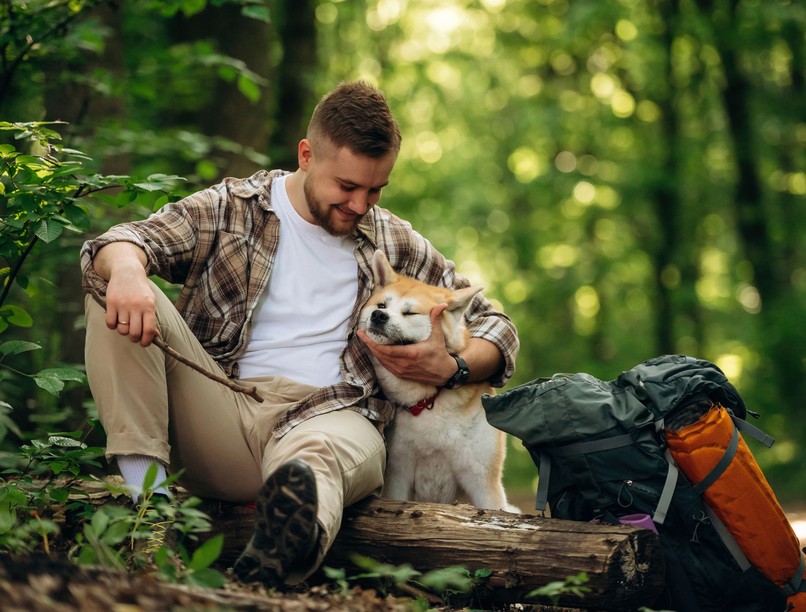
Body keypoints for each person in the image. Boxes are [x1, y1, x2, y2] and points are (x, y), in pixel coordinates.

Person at [80, 80, 519, 587]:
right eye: (347, 186)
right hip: (221, 409)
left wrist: (455, 366)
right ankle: (150, 519)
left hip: (332, 415)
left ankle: (284, 545)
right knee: (110, 285)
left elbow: (496, 324)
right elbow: (124, 240)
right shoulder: (232, 208)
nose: (360, 204)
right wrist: (131, 272)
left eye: (375, 189)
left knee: (316, 461)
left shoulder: (391, 237)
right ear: (306, 155)